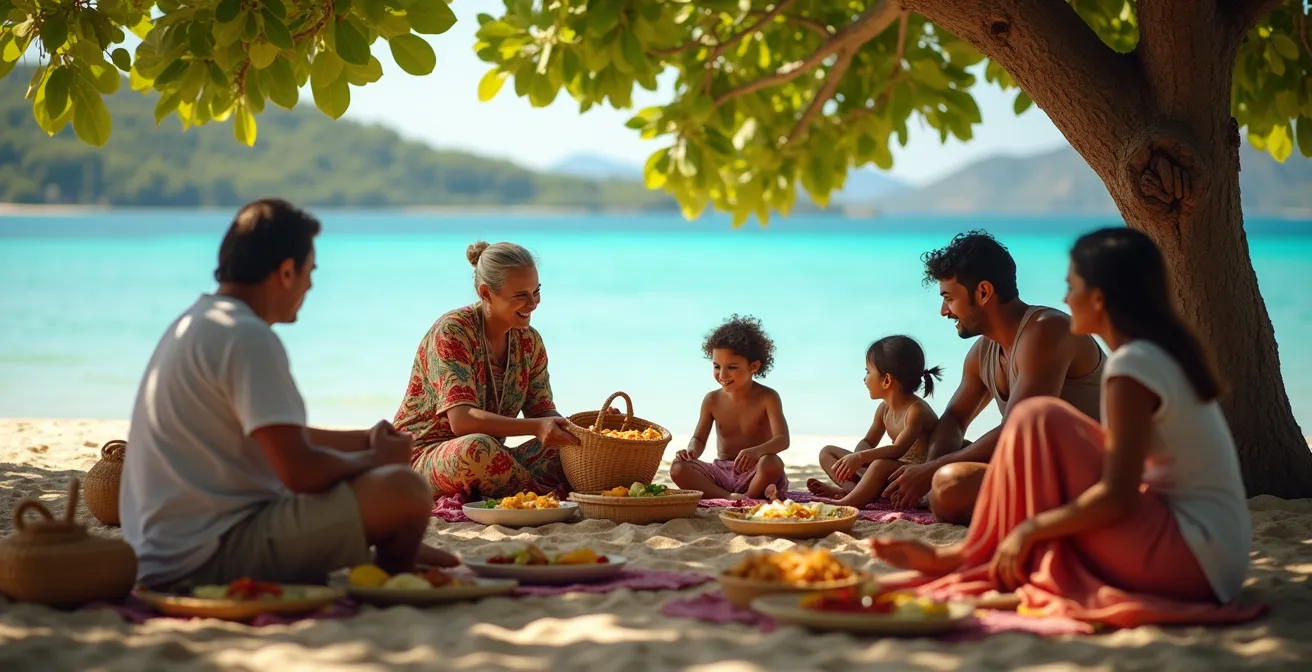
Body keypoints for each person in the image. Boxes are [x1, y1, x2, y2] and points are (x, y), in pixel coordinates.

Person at [869, 227, 1262, 628]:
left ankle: (966, 557)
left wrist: (1030, 531)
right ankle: (966, 556)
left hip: (1190, 559)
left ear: (1100, 297)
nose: (1064, 298)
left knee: (1035, 419)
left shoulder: (1131, 367)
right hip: (1208, 556)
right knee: (1039, 417)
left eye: (1071, 285)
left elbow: (1119, 498)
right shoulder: (1148, 357)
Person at [120, 199, 455, 591]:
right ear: (285, 272)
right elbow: (299, 472)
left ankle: (388, 552)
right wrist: (373, 460)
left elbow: (276, 438)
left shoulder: (199, 321)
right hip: (206, 557)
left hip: (164, 551)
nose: (310, 285)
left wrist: (365, 441)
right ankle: (393, 574)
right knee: (405, 489)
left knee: (388, 485)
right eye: (309, 272)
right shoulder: (247, 336)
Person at [883, 231, 1106, 523]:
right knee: (927, 465)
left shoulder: (1047, 331)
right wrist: (928, 469)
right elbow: (954, 420)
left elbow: (1018, 427)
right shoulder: (982, 351)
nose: (944, 311)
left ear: (984, 292)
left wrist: (933, 473)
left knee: (949, 487)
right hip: (1035, 466)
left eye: (949, 298)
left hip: (1088, 474)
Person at [395, 241, 580, 500]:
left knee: (576, 446)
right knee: (477, 448)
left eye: (536, 291)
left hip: (493, 456)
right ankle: (540, 497)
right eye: (520, 295)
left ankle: (525, 489)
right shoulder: (453, 331)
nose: (533, 303)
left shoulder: (529, 341)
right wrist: (538, 427)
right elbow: (461, 422)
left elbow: (541, 412)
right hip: (425, 458)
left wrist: (578, 430)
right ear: (486, 293)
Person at [806, 336, 944, 508]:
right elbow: (868, 441)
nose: (864, 379)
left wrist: (861, 458)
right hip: (887, 473)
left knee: (879, 465)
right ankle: (850, 490)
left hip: (909, 477)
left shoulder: (916, 411)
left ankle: (848, 502)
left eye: (868, 372)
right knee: (827, 452)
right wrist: (855, 459)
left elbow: (897, 450)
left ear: (886, 380)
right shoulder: (884, 409)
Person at [671, 315, 790, 500]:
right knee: (678, 468)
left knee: (773, 463)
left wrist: (756, 452)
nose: (722, 374)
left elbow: (782, 440)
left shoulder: (768, 397)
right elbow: (699, 438)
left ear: (754, 366)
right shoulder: (711, 400)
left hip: (755, 473)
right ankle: (730, 498)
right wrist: (691, 450)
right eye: (717, 366)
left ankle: (749, 496)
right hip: (721, 474)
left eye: (732, 367)